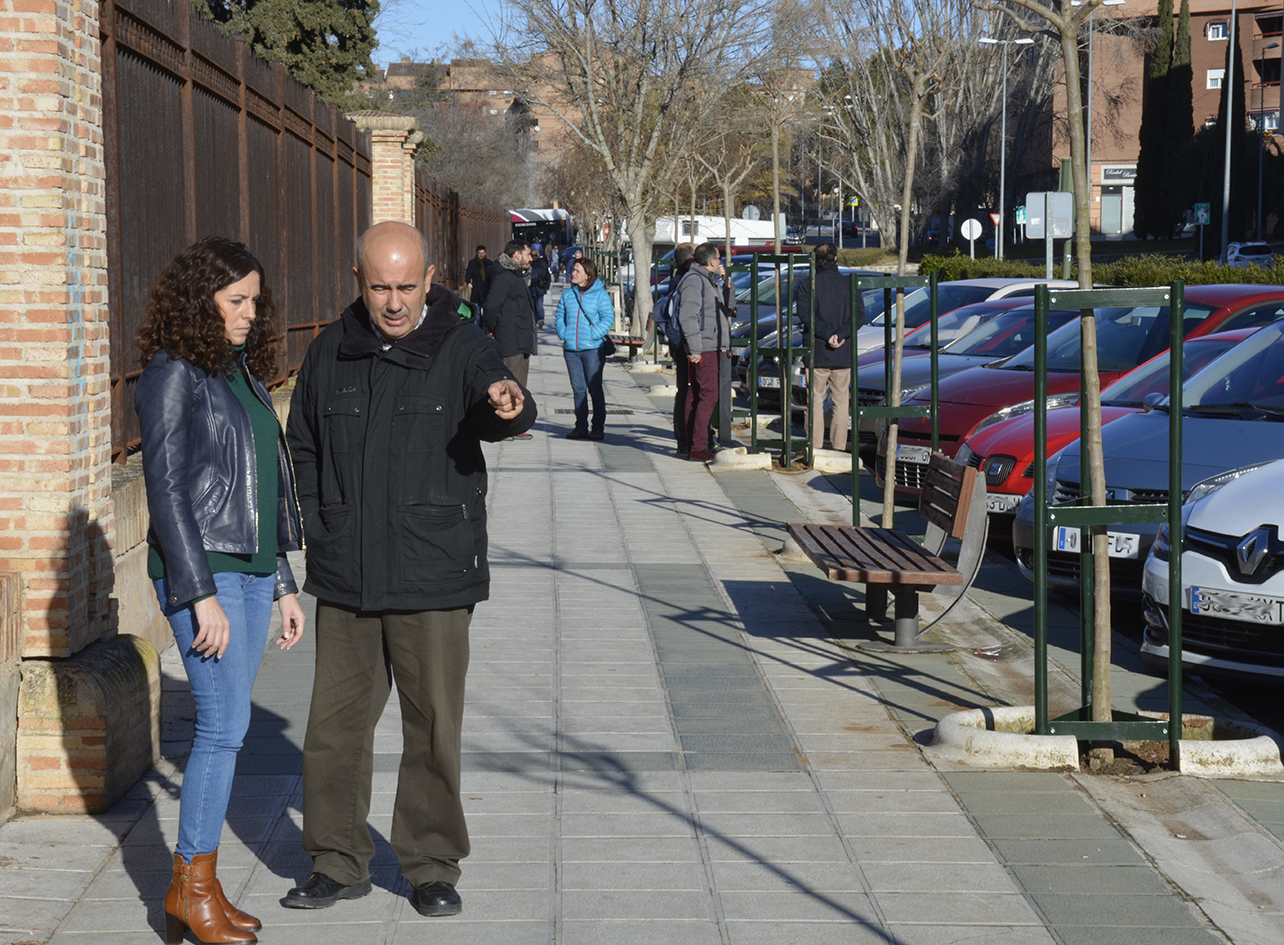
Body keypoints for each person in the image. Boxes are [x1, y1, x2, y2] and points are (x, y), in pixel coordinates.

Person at [283, 221, 535, 918]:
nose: (393, 302)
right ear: (358, 281)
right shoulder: (330, 350)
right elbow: (301, 442)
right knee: (333, 728)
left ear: (429, 281)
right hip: (347, 577)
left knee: (432, 727)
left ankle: (429, 864)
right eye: (379, 287)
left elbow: (500, 399)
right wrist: (318, 521)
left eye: (405, 286)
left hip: (434, 575)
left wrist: (509, 405)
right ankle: (335, 860)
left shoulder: (461, 345)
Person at [135, 236, 306, 945]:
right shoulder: (172, 373)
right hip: (206, 573)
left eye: (255, 301)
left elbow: (264, 487)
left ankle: (197, 886)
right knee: (221, 728)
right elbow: (166, 487)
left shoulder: (240, 373)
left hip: (252, 570)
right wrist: (197, 590)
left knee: (227, 730)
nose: (249, 313)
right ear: (199, 300)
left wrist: (286, 584)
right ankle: (189, 887)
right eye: (236, 300)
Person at [796, 241, 862, 451]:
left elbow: (806, 315)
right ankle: (839, 449)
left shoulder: (809, 284)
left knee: (815, 401)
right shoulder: (850, 283)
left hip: (817, 352)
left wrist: (827, 335)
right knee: (841, 403)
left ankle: (814, 449)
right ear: (835, 259)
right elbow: (859, 316)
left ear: (815, 260)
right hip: (842, 353)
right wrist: (840, 335)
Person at [676, 242, 730, 463]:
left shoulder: (710, 281)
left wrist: (726, 283)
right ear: (711, 262)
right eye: (719, 259)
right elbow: (687, 316)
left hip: (711, 345)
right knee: (707, 395)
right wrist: (695, 348)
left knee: (697, 395)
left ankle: (694, 444)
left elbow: (726, 308)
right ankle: (698, 446)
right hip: (704, 347)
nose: (721, 262)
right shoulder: (694, 281)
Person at [555, 256, 614, 440]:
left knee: (595, 389)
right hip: (571, 350)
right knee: (578, 389)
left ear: (588, 275)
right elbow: (559, 316)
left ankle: (598, 428)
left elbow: (608, 318)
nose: (572, 273)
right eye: (573, 270)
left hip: (592, 350)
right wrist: (564, 334)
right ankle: (580, 426)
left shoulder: (600, 294)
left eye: (577, 271)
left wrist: (593, 334)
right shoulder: (568, 294)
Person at [483, 239, 538, 392]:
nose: (531, 258)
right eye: (528, 254)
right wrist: (493, 328)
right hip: (512, 344)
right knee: (514, 390)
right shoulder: (505, 277)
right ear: (517, 256)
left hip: (520, 341)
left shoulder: (516, 275)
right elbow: (491, 308)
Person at [664, 242, 697, 455]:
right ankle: (685, 438)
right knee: (687, 391)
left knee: (684, 391)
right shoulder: (687, 282)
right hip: (687, 346)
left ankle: (684, 438)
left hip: (680, 345)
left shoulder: (678, 280)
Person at [528, 243, 552, 325]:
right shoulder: (529, 264)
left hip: (539, 288)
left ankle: (540, 319)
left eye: (535, 255)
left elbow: (547, 275)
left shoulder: (542, 263)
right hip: (531, 288)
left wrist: (546, 286)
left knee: (539, 304)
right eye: (532, 255)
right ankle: (534, 319)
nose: (534, 257)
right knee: (532, 305)